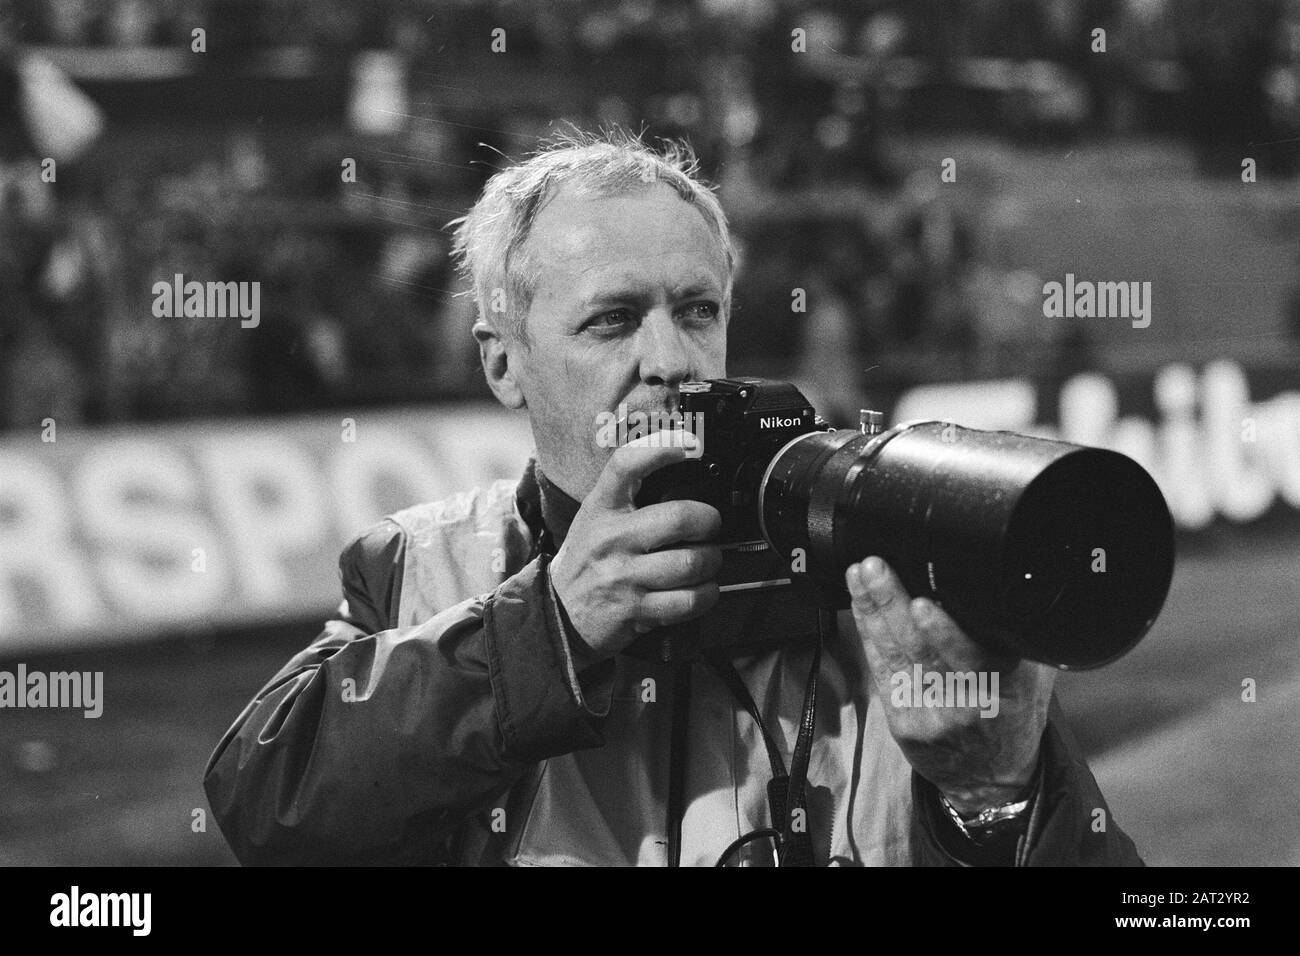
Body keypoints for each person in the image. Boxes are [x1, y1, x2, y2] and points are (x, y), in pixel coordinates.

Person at [203, 129, 1142, 866]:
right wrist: (552, 629)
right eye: (612, 320)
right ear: (503, 362)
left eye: (697, 311)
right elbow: (266, 803)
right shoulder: (422, 566)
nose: (670, 362)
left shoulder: (882, 575)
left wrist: (997, 801)